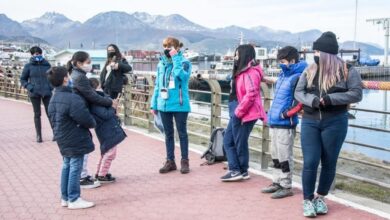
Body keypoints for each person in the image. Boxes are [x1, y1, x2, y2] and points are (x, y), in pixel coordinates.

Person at [294, 31, 362, 217]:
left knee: (329, 162)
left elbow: (357, 93)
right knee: (310, 161)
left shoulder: (348, 70)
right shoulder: (309, 70)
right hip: (310, 121)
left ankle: (320, 198)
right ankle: (307, 200)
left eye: (316, 51)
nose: (314, 55)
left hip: (336, 122)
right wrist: (313, 101)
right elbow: (298, 92)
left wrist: (331, 99)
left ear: (325, 53)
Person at [261, 46, 307, 198]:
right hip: (275, 121)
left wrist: (286, 114)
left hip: (285, 123)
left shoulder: (298, 76)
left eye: (283, 61)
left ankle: (286, 185)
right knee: (275, 154)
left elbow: (300, 100)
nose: (280, 63)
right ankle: (277, 181)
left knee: (285, 155)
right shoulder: (282, 75)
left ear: (292, 60)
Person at [47, 66, 96, 209]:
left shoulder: (53, 98)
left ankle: (65, 197)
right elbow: (86, 119)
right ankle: (74, 198)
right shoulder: (72, 98)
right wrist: (92, 122)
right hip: (75, 136)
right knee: (75, 166)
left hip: (62, 136)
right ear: (65, 79)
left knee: (67, 165)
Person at [68, 51, 118, 189]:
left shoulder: (77, 75)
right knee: (83, 147)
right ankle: (82, 177)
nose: (90, 65)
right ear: (79, 63)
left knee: (82, 146)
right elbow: (91, 95)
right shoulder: (79, 77)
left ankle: (83, 175)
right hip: (80, 113)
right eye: (88, 62)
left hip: (80, 112)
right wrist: (110, 103)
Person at [221, 44, 267, 182]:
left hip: (244, 113)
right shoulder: (242, 71)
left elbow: (251, 93)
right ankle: (240, 170)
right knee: (232, 141)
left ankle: (237, 170)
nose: (235, 57)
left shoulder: (250, 72)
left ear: (244, 55)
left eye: (237, 55)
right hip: (239, 111)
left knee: (234, 142)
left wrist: (238, 113)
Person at [150, 37, 192, 174]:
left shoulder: (185, 62)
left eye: (170, 46)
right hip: (164, 104)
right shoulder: (161, 64)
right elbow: (158, 85)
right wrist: (154, 104)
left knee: (182, 133)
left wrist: (175, 58)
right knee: (168, 134)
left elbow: (182, 77)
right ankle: (170, 161)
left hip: (180, 104)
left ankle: (184, 161)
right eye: (165, 46)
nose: (167, 48)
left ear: (177, 48)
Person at [89, 78, 126, 183]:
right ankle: (101, 175)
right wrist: (113, 107)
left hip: (106, 129)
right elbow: (106, 115)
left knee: (106, 152)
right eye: (100, 87)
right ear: (97, 88)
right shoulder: (96, 101)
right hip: (106, 130)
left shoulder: (98, 99)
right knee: (110, 153)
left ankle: (100, 172)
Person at [20, 46, 52, 143]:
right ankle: (39, 135)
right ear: (32, 55)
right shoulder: (28, 66)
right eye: (36, 54)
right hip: (34, 93)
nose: (38, 55)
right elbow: (23, 79)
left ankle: (56, 133)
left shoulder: (47, 65)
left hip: (47, 92)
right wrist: (30, 87)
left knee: (50, 113)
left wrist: (51, 87)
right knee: (37, 114)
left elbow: (52, 77)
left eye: (39, 53)